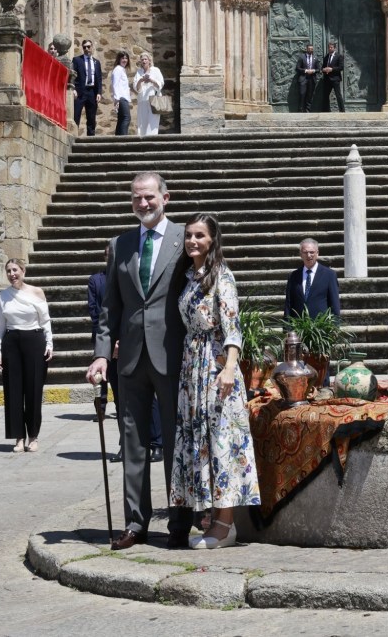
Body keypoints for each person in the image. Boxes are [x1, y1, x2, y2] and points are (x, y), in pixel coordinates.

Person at [87, 171, 194, 551]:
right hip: (129, 358)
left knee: (174, 442)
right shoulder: (120, 244)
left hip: (172, 354)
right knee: (132, 442)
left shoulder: (187, 238)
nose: (143, 204)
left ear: (166, 197)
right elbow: (109, 307)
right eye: (136, 198)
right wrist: (101, 355)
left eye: (149, 197)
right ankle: (136, 522)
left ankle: (180, 521)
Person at [170, 213, 261, 550]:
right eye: (189, 236)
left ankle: (225, 526)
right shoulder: (191, 276)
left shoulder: (221, 274)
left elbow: (233, 324)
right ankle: (212, 518)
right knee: (201, 442)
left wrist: (229, 367)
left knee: (222, 441)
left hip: (217, 366)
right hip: (192, 367)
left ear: (212, 240)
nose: (193, 241)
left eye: (200, 236)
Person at [88, 246, 164, 464]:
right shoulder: (97, 281)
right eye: (109, 257)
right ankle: (126, 443)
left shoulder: (134, 278)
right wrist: (108, 345)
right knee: (121, 400)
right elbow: (98, 315)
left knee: (151, 399)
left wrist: (126, 340)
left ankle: (157, 443)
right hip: (110, 350)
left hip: (135, 344)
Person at [0, 259, 53, 454]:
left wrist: (50, 343)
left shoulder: (37, 292)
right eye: (8, 271)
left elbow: (45, 320)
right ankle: (18, 437)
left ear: (23, 271)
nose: (12, 274)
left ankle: (33, 436)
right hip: (12, 342)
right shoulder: (2, 296)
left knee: (34, 389)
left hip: (34, 340)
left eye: (15, 270)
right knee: (13, 390)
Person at [284, 238, 340, 319]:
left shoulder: (329, 275)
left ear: (317, 253)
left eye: (312, 252)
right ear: (300, 254)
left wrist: (334, 328)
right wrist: (287, 329)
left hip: (320, 328)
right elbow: (288, 304)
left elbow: (334, 304)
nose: (308, 255)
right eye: (305, 252)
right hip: (298, 328)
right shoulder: (293, 276)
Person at [72, 39, 102, 136]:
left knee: (91, 118)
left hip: (92, 92)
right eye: (84, 47)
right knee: (76, 115)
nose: (86, 49)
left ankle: (91, 138)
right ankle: (74, 136)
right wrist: (73, 89)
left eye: (88, 47)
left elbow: (99, 79)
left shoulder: (96, 62)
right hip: (80, 91)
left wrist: (99, 93)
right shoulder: (77, 60)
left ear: (92, 47)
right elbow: (73, 75)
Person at [133, 52, 165, 137]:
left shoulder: (156, 70)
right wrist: (141, 80)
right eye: (142, 59)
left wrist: (151, 80)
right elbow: (136, 87)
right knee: (142, 123)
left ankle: (151, 141)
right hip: (142, 100)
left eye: (145, 59)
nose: (144, 61)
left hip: (154, 99)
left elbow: (161, 83)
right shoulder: (139, 72)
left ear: (149, 61)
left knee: (153, 123)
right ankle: (142, 142)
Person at [319, 42, 346, 112]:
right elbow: (323, 67)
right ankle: (326, 110)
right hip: (327, 79)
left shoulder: (339, 56)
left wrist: (332, 69)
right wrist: (324, 69)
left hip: (335, 79)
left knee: (338, 95)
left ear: (334, 48)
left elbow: (341, 67)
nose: (330, 49)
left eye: (331, 47)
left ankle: (342, 110)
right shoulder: (326, 57)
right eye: (329, 47)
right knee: (325, 95)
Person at [110, 51, 132, 136]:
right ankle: (123, 139)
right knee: (126, 118)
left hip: (123, 98)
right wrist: (117, 99)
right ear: (119, 59)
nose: (125, 60)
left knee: (121, 119)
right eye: (123, 58)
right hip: (121, 98)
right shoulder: (118, 69)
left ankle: (118, 140)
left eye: (126, 58)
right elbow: (115, 85)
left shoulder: (122, 70)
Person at [295, 43, 319, 112]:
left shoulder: (315, 58)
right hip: (303, 79)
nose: (311, 50)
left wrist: (313, 70)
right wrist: (305, 70)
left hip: (312, 79)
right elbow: (297, 68)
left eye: (312, 49)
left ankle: (308, 110)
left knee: (310, 95)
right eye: (309, 49)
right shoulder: (302, 57)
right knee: (302, 94)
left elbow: (318, 69)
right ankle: (300, 110)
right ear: (307, 49)